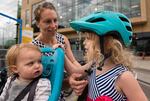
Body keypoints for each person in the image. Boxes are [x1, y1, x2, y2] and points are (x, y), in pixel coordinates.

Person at [69, 11, 148, 101]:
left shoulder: (124, 77)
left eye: (88, 38)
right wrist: (73, 79)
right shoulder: (94, 65)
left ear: (108, 43)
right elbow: (75, 72)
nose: (84, 42)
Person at [32, 2, 90, 100]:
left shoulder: (62, 39)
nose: (53, 25)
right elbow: (36, 84)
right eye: (48, 21)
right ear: (38, 23)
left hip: (61, 95)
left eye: (55, 20)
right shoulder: (33, 48)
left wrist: (83, 76)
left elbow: (73, 62)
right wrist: (69, 81)